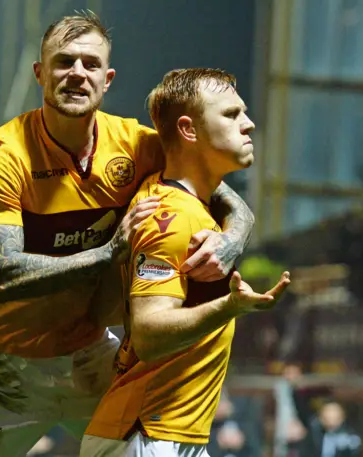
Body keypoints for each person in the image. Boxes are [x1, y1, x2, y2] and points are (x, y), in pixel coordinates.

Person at [0, 12, 255, 457]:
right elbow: (2, 276)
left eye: (90, 64)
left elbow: (230, 201)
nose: (77, 74)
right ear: (40, 73)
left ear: (107, 79)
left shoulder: (137, 144)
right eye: (64, 62)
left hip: (87, 355)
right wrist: (109, 253)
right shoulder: (0, 155)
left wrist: (230, 241)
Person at [80, 68, 290, 457]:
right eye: (230, 114)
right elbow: (148, 332)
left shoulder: (189, 203)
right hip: (144, 435)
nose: (249, 124)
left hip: (171, 436)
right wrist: (230, 307)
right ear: (188, 130)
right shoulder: (174, 217)